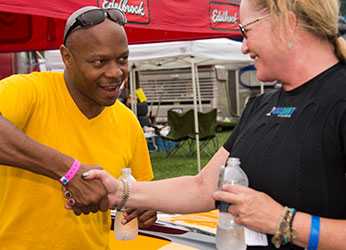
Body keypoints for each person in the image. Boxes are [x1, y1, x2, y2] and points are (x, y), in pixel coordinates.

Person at [77, 0, 346, 249]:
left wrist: (284, 222)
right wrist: (120, 191)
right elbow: (203, 187)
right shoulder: (261, 105)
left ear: (286, 23)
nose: (243, 46)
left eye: (245, 31)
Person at [0, 6, 157, 250]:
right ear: (67, 58)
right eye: (99, 61)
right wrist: (68, 172)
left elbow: (141, 191)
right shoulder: (30, 91)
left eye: (122, 59)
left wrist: (145, 206)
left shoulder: (127, 121)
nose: (116, 72)